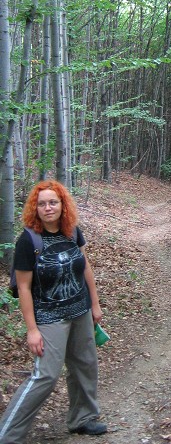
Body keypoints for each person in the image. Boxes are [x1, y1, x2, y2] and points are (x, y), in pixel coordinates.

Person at [0, 180, 107, 443]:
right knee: (45, 375)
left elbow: (85, 267)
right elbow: (23, 288)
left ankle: (82, 418)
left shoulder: (72, 231)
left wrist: (94, 304)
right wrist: (32, 330)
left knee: (85, 365)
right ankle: (8, 434)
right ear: (35, 208)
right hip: (49, 317)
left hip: (80, 310)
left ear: (62, 205)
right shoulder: (28, 240)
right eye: (42, 204)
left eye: (53, 202)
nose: (48, 208)